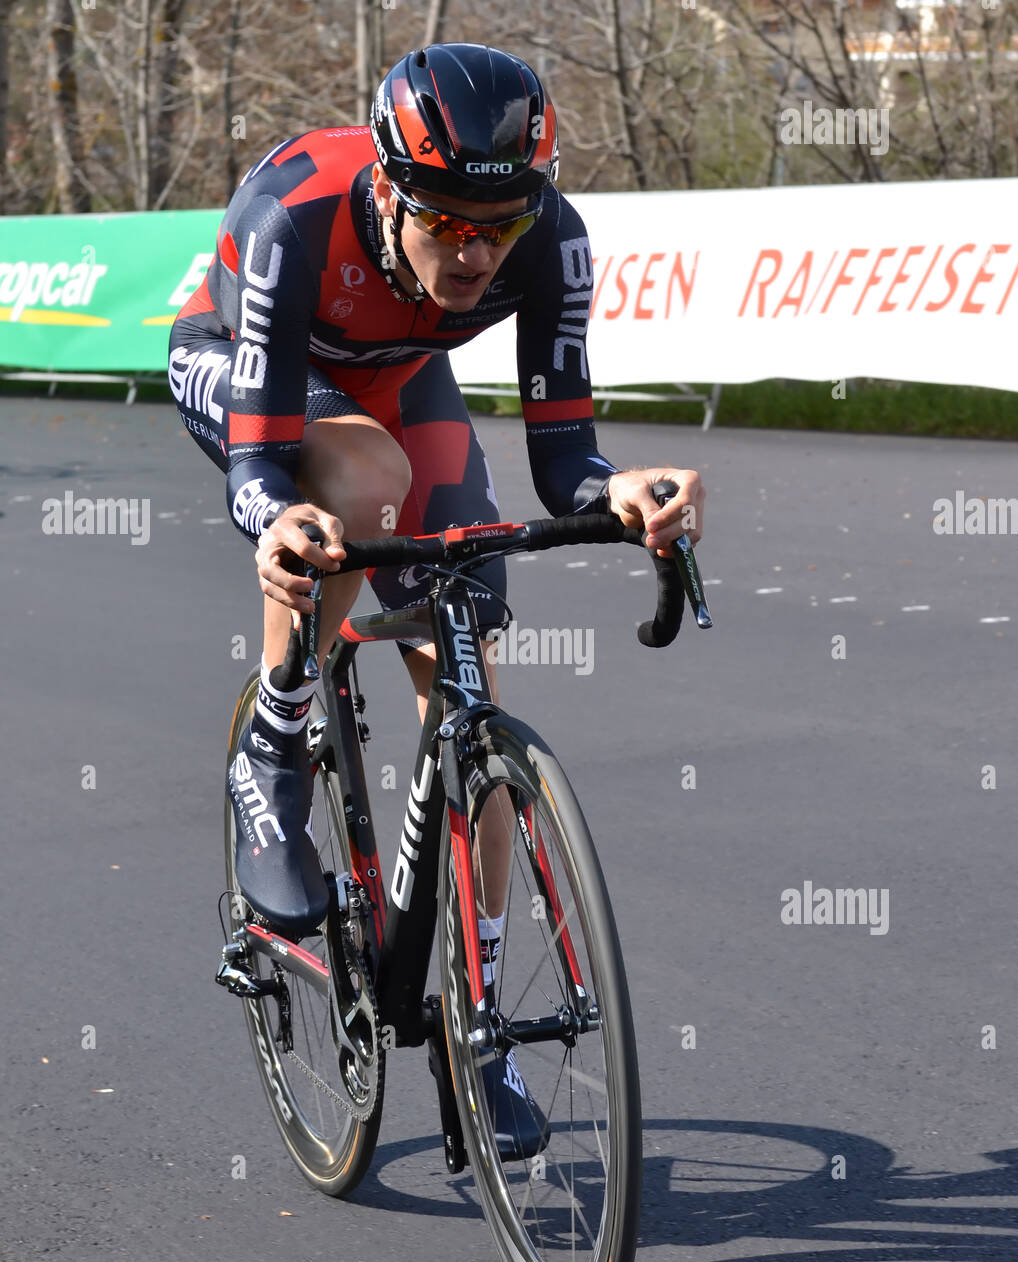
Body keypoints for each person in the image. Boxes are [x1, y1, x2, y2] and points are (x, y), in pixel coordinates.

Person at [169, 42, 704, 1155]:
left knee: (468, 677)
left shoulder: (548, 237)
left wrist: (628, 493)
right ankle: (273, 748)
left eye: (497, 226)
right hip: (244, 359)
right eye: (447, 223)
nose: (476, 253)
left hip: (394, 373)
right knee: (362, 482)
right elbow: (264, 465)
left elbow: (568, 468)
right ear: (386, 188)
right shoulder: (296, 217)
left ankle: (481, 1033)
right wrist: (280, 527)